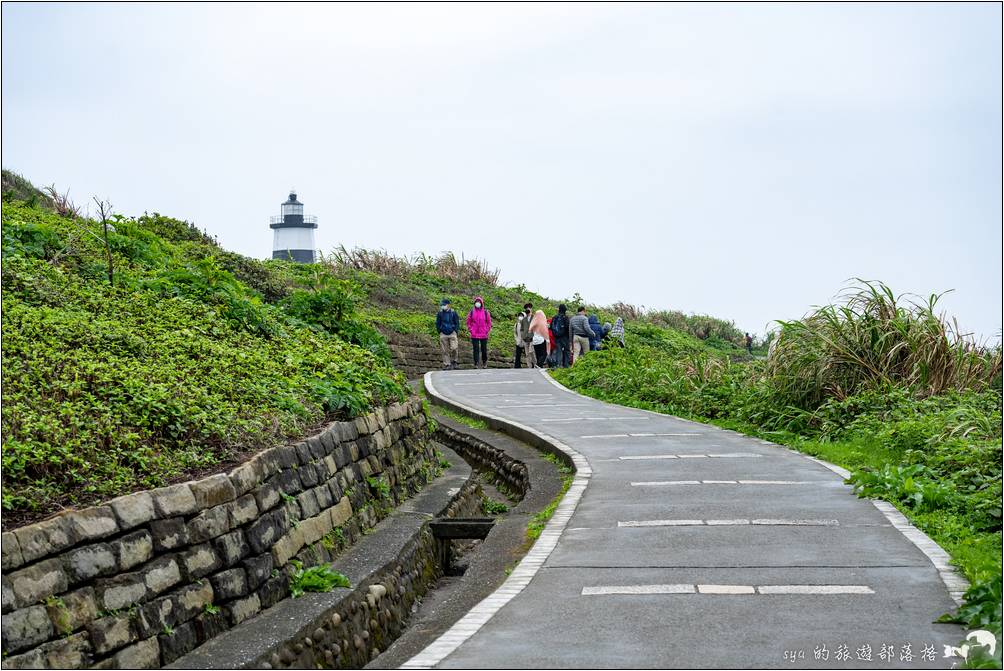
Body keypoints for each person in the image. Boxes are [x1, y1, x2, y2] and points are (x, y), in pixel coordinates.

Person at [466, 296, 492, 369]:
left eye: (479, 302)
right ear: (474, 303)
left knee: (484, 349)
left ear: (481, 303)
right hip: (474, 334)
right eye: (476, 302)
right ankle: (476, 363)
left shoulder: (485, 312)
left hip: (484, 334)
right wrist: (471, 330)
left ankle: (484, 362)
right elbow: (468, 322)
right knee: (476, 349)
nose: (478, 303)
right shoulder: (471, 312)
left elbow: (489, 323)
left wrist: (487, 330)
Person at [435, 298, 460, 369]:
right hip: (443, 333)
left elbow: (457, 323)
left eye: (444, 305)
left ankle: (454, 361)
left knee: (454, 348)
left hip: (452, 332)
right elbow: (437, 323)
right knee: (444, 350)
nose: (442, 306)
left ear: (448, 305)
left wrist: (455, 330)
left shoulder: (453, 312)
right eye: (442, 305)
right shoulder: (440, 313)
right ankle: (447, 364)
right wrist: (440, 331)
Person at [517, 303, 535, 368]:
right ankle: (529, 366)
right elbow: (521, 329)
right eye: (526, 308)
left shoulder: (534, 318)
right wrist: (522, 336)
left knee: (531, 351)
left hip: (532, 338)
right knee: (527, 354)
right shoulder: (524, 319)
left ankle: (535, 364)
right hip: (525, 338)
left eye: (529, 307)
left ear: (531, 309)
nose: (528, 309)